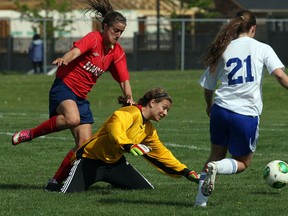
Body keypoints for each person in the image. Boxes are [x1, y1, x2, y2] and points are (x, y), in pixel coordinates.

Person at [11, 0, 134, 191]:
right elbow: (76, 51)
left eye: (121, 32)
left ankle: (55, 182)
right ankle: (31, 133)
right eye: (115, 30)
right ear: (105, 27)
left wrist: (128, 97)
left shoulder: (116, 52)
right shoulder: (93, 38)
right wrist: (64, 59)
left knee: (84, 147)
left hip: (81, 98)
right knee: (72, 117)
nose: (118, 35)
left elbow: (124, 79)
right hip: (64, 88)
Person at [194, 10, 288, 207]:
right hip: (245, 114)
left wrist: (208, 106)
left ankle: (200, 203)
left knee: (215, 154)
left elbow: (208, 86)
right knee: (243, 163)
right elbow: (280, 75)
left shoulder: (223, 49)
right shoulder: (263, 48)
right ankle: (217, 168)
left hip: (220, 110)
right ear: (253, 28)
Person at [56, 87, 199, 193]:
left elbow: (161, 154)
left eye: (168, 110)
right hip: (90, 159)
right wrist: (128, 145)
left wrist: (185, 171)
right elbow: (115, 130)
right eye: (164, 108)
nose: (165, 113)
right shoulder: (129, 112)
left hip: (114, 164)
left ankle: (113, 180)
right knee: (67, 194)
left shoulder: (149, 129)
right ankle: (54, 182)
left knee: (145, 190)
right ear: (153, 102)